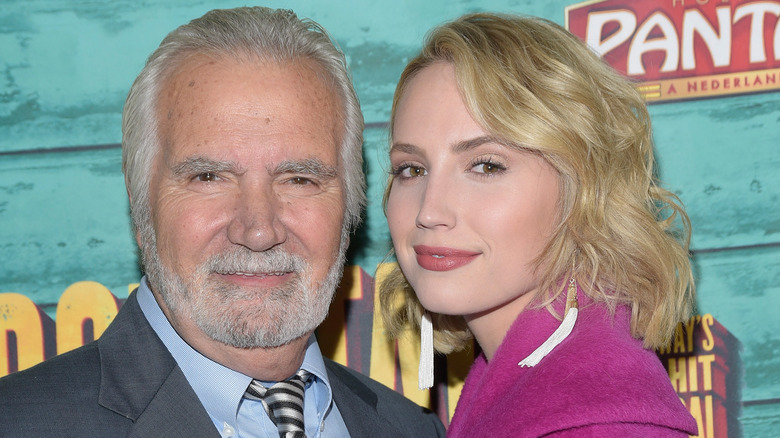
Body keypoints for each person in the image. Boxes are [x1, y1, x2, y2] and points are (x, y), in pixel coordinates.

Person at [0, 7, 445, 438]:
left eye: (299, 179)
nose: (258, 230)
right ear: (141, 206)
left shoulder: (412, 429)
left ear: (351, 208)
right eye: (208, 177)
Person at [380, 13, 698, 437]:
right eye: (411, 169)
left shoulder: (602, 420)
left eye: (486, 166)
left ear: (583, 188)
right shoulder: (523, 382)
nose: (429, 210)